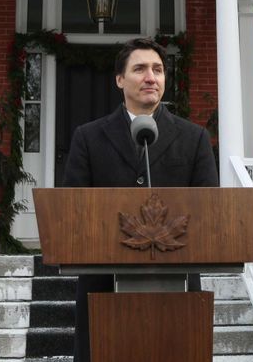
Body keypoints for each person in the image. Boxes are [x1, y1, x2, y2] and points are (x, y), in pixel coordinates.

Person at [62, 37, 219, 362]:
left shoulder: (194, 138)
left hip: (177, 291)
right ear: (120, 79)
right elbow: (71, 211)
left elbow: (208, 211)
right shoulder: (89, 137)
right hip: (102, 288)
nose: (151, 77)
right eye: (140, 68)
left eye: (158, 70)